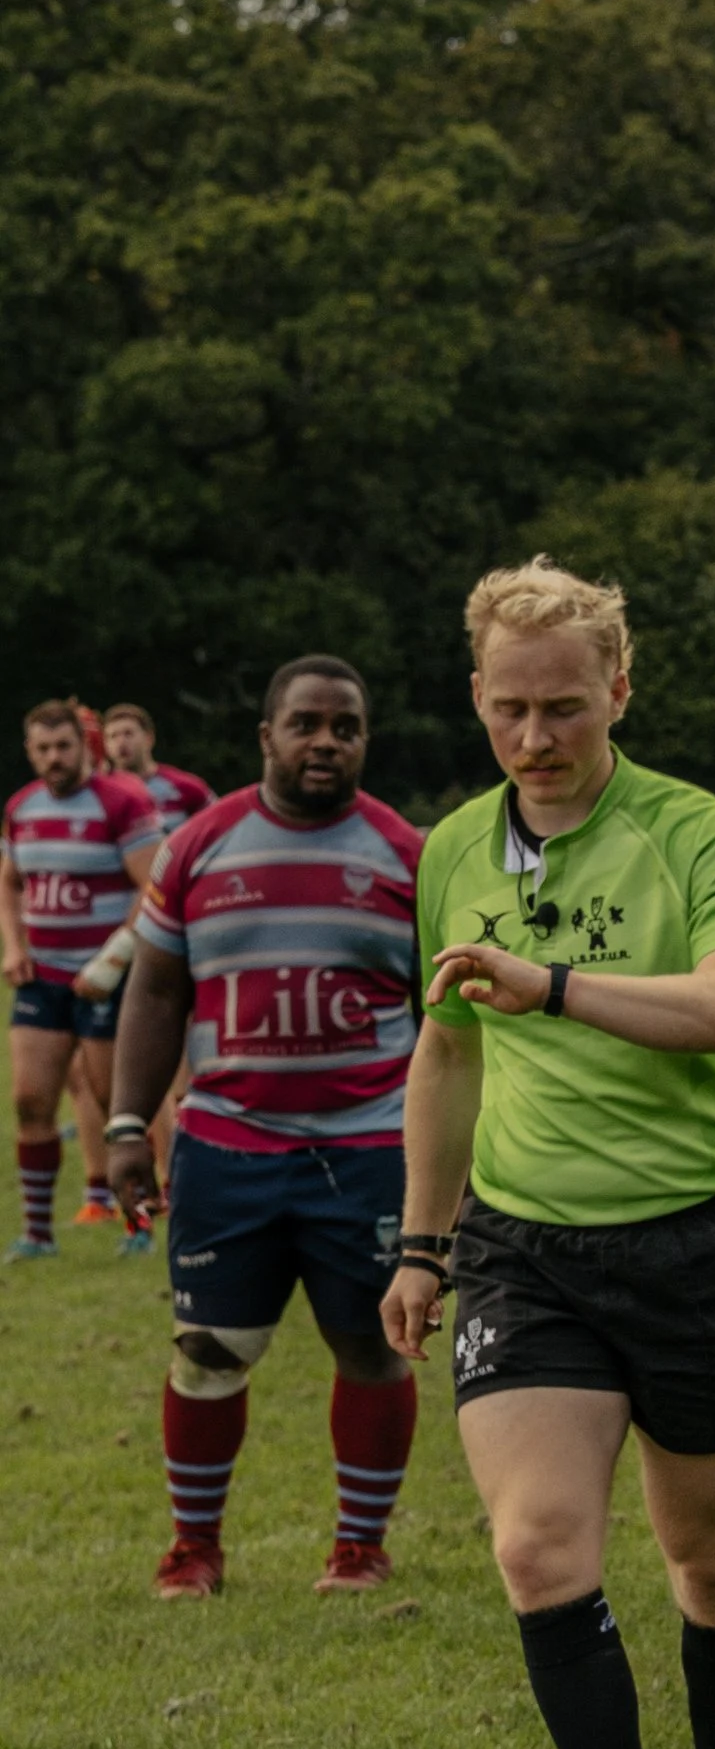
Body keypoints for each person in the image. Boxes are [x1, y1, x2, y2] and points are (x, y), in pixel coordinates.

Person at [382, 558, 715, 1749]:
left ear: (620, 687)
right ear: (480, 698)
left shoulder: (702, 835)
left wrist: (553, 983)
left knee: (712, 1561)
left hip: (697, 1237)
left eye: (565, 705)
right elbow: (445, 1051)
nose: (538, 737)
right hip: (523, 1245)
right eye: (510, 707)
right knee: (538, 1541)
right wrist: (425, 1246)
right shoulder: (451, 852)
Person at [106, 659, 424, 1600]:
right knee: (207, 1351)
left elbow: (448, 1022)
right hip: (227, 1148)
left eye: (346, 726)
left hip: (369, 1150)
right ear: (267, 736)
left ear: (365, 739)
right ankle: (194, 1550)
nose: (325, 741)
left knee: (370, 1347)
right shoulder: (199, 845)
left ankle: (359, 1549)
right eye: (306, 724)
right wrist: (128, 1125)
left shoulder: (409, 854)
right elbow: (156, 991)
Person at [2, 700, 157, 1257]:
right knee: (30, 1100)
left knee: (115, 1103)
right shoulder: (22, 806)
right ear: (29, 751)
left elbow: (153, 886)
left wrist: (112, 960)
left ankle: (137, 1226)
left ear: (83, 746)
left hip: (105, 981)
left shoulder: (123, 802)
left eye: (63, 746)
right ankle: (37, 1235)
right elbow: (11, 883)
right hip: (43, 977)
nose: (54, 758)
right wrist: (14, 946)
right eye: (42, 749)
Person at [100, 704, 215, 834]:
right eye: (113, 736)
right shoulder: (98, 793)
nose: (121, 742)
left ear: (149, 738)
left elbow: (219, 824)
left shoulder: (185, 787)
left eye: (128, 734)